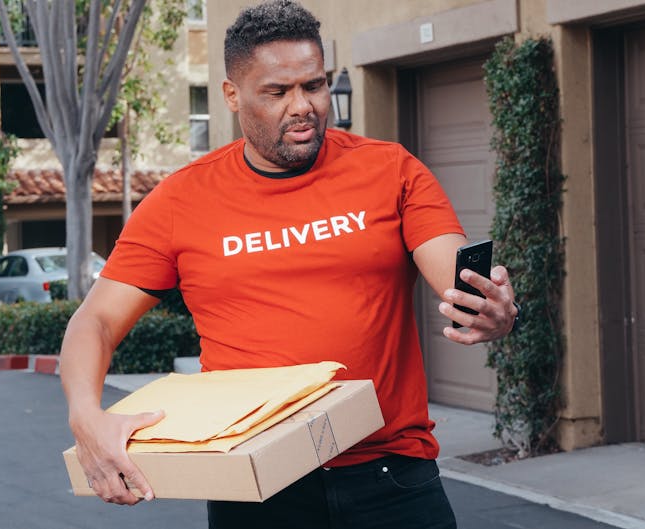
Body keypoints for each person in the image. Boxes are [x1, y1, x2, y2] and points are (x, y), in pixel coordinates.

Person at [59, 1, 518, 527]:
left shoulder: (390, 170)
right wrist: (85, 416)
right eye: (277, 92)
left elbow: (453, 270)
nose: (303, 105)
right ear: (232, 95)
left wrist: (487, 307)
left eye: (314, 85)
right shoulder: (180, 200)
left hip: (391, 475)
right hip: (256, 484)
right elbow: (94, 321)